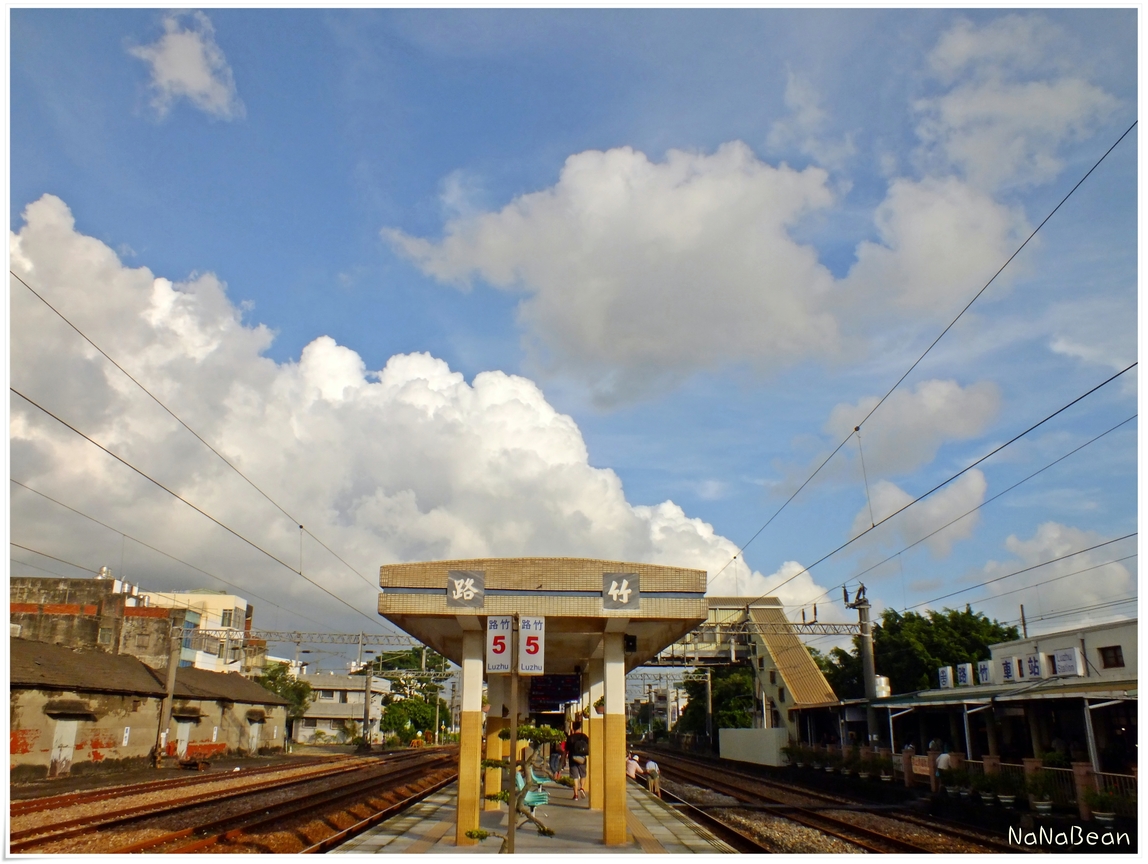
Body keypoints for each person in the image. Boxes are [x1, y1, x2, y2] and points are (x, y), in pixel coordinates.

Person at [566, 721, 591, 801]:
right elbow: (589, 746)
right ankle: (582, 788)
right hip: (582, 759)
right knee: (583, 774)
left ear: (573, 728)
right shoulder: (584, 737)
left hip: (573, 759)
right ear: (580, 728)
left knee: (574, 777)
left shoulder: (570, 738)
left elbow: (566, 749)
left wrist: (562, 761)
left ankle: (576, 795)